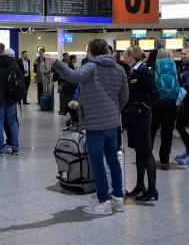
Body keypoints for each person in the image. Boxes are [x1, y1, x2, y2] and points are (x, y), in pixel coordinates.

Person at [49, 39, 128, 215]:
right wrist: (114, 112)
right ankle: (118, 199)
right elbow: (124, 97)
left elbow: (73, 76)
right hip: (112, 123)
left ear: (90, 52)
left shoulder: (91, 67)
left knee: (97, 162)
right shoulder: (119, 69)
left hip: (95, 124)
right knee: (113, 160)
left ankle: (103, 201)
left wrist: (55, 62)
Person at [122, 46, 160, 201]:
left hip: (142, 118)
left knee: (145, 151)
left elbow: (155, 93)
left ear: (132, 56)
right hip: (134, 118)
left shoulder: (143, 71)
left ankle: (152, 189)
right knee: (139, 151)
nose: (123, 56)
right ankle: (140, 186)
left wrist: (140, 108)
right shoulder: (133, 71)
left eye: (125, 54)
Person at [0, 43, 23, 156]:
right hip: (11, 98)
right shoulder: (12, 63)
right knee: (12, 122)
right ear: (4, 50)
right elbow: (20, 79)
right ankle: (15, 148)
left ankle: (0, 149)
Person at [151, 48, 180, 170]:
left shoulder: (154, 67)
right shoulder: (174, 67)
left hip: (156, 103)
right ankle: (164, 161)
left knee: (151, 131)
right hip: (172, 104)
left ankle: (147, 157)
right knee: (167, 133)